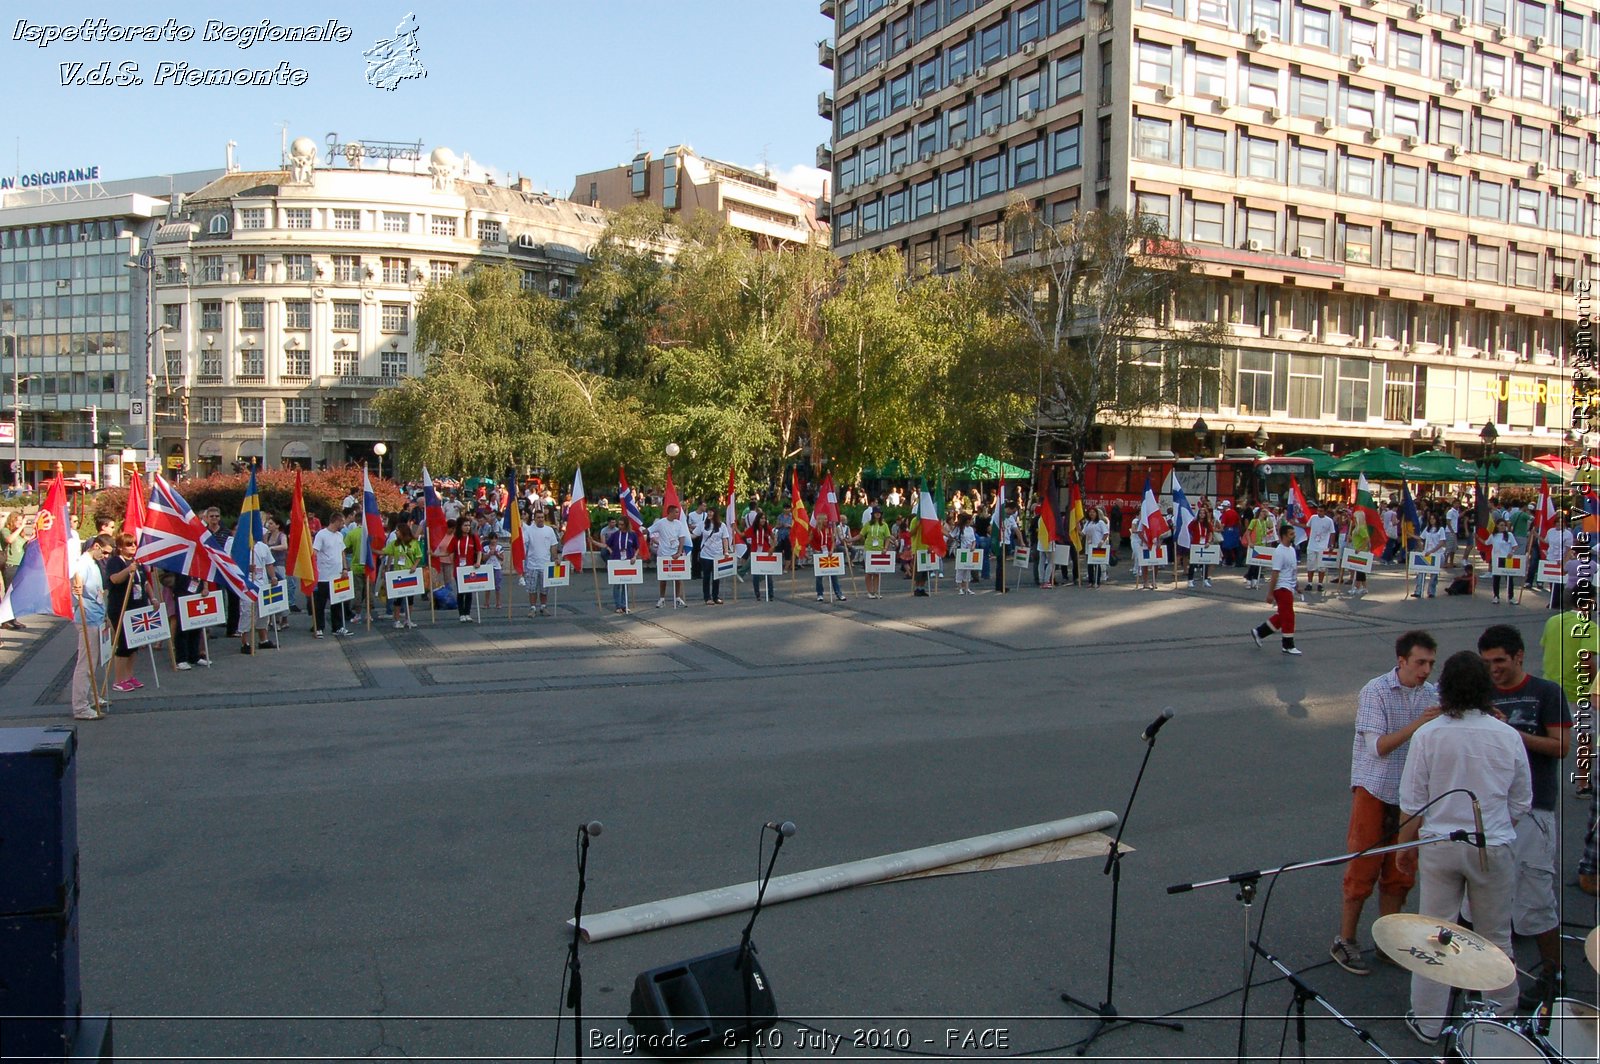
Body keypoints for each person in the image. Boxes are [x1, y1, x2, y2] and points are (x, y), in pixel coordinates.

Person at [1395, 651, 1530, 1046]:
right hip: (1493, 845)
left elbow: (1412, 801)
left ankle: (1428, 1021)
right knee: (1494, 935)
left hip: (1439, 844)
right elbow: (1521, 800)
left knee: (1435, 934)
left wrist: (1405, 847)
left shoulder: (1429, 734)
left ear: (1447, 689)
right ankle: (1500, 1019)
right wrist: (1500, 828)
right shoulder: (1507, 735)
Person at [1329, 631, 1439, 975]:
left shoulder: (1433, 695)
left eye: (1431, 664)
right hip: (1375, 791)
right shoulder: (1375, 691)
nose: (1425, 670)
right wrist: (1418, 724)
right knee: (1362, 868)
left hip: (1412, 797)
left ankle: (1388, 941)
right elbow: (1377, 747)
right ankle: (1345, 939)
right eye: (1420, 662)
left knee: (1400, 871)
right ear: (1401, 661)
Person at [1475, 623, 1573, 1008]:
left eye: (1499, 661)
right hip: (1493, 810)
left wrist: (1509, 732)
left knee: (1535, 896)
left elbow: (1562, 746)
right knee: (1485, 897)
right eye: (1486, 662)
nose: (1493, 669)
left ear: (1519, 657)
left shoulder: (1547, 692)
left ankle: (1554, 974)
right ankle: (1485, 974)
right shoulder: (1482, 693)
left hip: (1535, 808)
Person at [70, 534, 113, 719]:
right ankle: (80, 706)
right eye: (104, 552)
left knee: (94, 661)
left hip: (96, 616)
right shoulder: (83, 563)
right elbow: (76, 584)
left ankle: (92, 695)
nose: (106, 556)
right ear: (96, 546)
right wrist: (76, 588)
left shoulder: (93, 563)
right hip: (87, 618)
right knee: (85, 664)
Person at [104, 533, 149, 692]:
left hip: (137, 607)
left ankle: (129, 676)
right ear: (121, 547)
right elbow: (114, 579)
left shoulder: (138, 562)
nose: (133, 547)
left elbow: (144, 582)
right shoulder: (115, 562)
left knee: (134, 644)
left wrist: (153, 598)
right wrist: (127, 571)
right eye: (129, 545)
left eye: (134, 544)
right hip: (121, 608)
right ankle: (118, 679)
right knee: (123, 644)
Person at [1249, 524, 1302, 655]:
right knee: (1289, 616)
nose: (1293, 536)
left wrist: (1296, 585)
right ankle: (1288, 645)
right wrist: (1270, 593)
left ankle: (1259, 632)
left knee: (1283, 614)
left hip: (1289, 587)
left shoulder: (1292, 550)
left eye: (1293, 534)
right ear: (1284, 536)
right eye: (1291, 534)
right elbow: (1275, 574)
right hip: (1281, 587)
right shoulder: (1279, 551)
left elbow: (1293, 570)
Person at [240, 525, 280, 653]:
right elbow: (233, 565)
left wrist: (273, 577)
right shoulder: (241, 547)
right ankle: (245, 642)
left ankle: (263, 639)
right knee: (247, 613)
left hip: (262, 585)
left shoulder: (263, 547)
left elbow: (269, 564)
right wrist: (246, 568)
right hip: (247, 586)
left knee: (264, 612)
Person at [438, 515, 483, 623]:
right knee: (461, 591)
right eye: (465, 525)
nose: (467, 527)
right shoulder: (456, 538)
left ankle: (467, 613)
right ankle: (461, 613)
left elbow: (479, 551)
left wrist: (477, 562)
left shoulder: (473, 537)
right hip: (459, 569)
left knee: (469, 591)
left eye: (469, 525)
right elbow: (448, 552)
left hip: (470, 568)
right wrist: (435, 554)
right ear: (460, 526)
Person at [312, 511, 350, 637]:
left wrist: (345, 568)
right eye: (342, 523)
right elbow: (315, 552)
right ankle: (319, 627)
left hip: (337, 575)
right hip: (324, 575)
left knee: (337, 603)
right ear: (336, 521)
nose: (343, 525)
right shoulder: (321, 535)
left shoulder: (339, 536)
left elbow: (342, 552)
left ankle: (337, 626)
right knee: (320, 604)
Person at [647, 503, 691, 608]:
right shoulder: (661, 523)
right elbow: (649, 530)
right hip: (663, 554)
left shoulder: (679, 524)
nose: (677, 514)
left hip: (675, 553)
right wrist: (639, 530)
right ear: (670, 512)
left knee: (678, 577)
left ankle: (677, 598)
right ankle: (662, 599)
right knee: (663, 578)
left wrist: (679, 552)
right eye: (676, 512)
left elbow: (682, 538)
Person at [380, 522, 423, 628]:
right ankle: (397, 620)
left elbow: (419, 556)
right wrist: (372, 550)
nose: (396, 532)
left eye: (398, 530)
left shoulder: (413, 543)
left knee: (410, 598)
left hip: (410, 574)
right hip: (398, 574)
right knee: (398, 599)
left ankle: (408, 619)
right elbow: (385, 552)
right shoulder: (394, 543)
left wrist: (414, 566)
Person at [602, 516, 639, 613]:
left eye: (622, 525)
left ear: (626, 525)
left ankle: (624, 604)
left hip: (627, 561)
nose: (620, 526)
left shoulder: (632, 535)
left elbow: (637, 547)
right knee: (617, 584)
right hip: (617, 561)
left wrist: (635, 556)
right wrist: (593, 542)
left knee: (625, 583)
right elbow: (606, 545)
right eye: (619, 524)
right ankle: (618, 605)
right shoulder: (615, 534)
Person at [0, 511, 30, 631]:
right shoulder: (5, 530)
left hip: (19, 565)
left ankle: (13, 618)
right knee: (9, 593)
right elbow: (9, 540)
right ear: (12, 520)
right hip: (10, 565)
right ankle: (5, 620)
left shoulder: (20, 534)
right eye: (18, 520)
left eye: (21, 520)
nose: (20, 522)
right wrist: (22, 526)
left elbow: (27, 541)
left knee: (16, 594)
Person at [699, 510, 732, 604]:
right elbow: (694, 535)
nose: (709, 514)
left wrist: (726, 551)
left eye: (711, 512)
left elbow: (725, 539)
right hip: (705, 555)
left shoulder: (722, 525)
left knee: (716, 577)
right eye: (708, 512)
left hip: (717, 555)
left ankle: (715, 596)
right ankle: (707, 597)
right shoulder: (703, 524)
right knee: (706, 576)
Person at [1412, 514, 1448, 599]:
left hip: (1436, 554)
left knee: (1433, 574)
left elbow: (1442, 542)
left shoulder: (1441, 529)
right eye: (1430, 519)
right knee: (1421, 572)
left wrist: (1432, 551)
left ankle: (1431, 591)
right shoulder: (1427, 529)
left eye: (1433, 519)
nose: (1432, 520)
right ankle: (1418, 591)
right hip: (1426, 553)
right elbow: (1420, 537)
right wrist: (1410, 534)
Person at [1305, 502, 1336, 594]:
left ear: (1325, 512)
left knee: (1321, 567)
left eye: (1321, 511)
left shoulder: (1329, 521)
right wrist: (1295, 524)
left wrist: (1331, 544)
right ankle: (1309, 583)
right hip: (1311, 546)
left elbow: (1332, 533)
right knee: (1310, 566)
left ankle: (1320, 584)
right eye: (1318, 510)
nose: (1319, 512)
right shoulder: (1313, 518)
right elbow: (1307, 526)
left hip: (1323, 547)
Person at [1185, 500, 1217, 588]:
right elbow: (1189, 528)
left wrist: (1208, 542)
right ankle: (1190, 580)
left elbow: (1210, 533)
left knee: (1205, 563)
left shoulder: (1208, 524)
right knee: (1193, 563)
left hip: (1205, 545)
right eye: (1200, 513)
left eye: (1203, 513)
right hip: (1195, 544)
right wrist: (1194, 519)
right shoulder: (1195, 522)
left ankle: (1205, 579)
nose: (1202, 514)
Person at [859, 508, 889, 599]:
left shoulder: (884, 525)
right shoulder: (868, 524)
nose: (878, 514)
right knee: (868, 572)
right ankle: (869, 591)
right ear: (873, 514)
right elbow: (861, 535)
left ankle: (876, 591)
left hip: (879, 550)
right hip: (869, 549)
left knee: (877, 572)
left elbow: (887, 537)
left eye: (879, 513)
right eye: (876, 513)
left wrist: (885, 548)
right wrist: (850, 540)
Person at [1488, 517, 1520, 604]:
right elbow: (1486, 543)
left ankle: (1511, 597)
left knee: (1509, 578)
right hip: (1497, 559)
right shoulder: (1493, 535)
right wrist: (1477, 538)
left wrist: (1512, 552)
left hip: (1507, 559)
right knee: (1496, 578)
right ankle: (1496, 596)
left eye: (1504, 525)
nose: (1503, 527)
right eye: (1501, 525)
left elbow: (1515, 545)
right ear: (1497, 526)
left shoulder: (1509, 535)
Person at [1081, 506, 1109, 589]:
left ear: (1096, 513)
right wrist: (1077, 529)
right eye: (1090, 512)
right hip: (1089, 546)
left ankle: (1097, 581)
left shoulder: (1100, 522)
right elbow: (1083, 533)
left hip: (1097, 546)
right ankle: (1090, 581)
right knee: (1089, 564)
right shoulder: (1088, 523)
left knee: (1097, 564)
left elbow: (1106, 533)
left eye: (1093, 512)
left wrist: (1102, 541)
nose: (1091, 514)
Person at [1345, 512, 1372, 597]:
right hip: (1357, 549)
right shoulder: (1357, 527)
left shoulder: (1361, 528)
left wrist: (1360, 548)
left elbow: (1367, 539)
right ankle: (1364, 587)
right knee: (1360, 570)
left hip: (1361, 551)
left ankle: (1357, 587)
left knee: (1359, 570)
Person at [952, 513, 977, 595]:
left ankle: (967, 587)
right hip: (961, 550)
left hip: (969, 550)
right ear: (967, 521)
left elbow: (973, 539)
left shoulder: (970, 529)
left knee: (968, 568)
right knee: (960, 568)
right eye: (970, 520)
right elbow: (951, 536)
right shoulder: (959, 528)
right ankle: (960, 588)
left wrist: (973, 546)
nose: (971, 521)